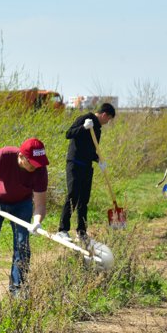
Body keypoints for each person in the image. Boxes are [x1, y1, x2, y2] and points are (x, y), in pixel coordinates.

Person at [0, 138, 49, 303]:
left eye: (38, 163)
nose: (35, 166)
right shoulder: (4, 155)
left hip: (22, 205)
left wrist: (36, 221)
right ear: (21, 156)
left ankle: (18, 288)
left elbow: (40, 203)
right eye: (32, 163)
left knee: (22, 246)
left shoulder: (40, 170)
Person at [58, 103, 116, 242]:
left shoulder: (98, 130)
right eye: (108, 119)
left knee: (84, 199)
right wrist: (83, 128)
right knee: (73, 196)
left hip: (87, 166)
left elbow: (91, 150)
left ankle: (81, 232)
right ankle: (63, 230)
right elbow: (69, 134)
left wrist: (98, 160)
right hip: (74, 164)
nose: (107, 122)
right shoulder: (85, 118)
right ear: (104, 115)